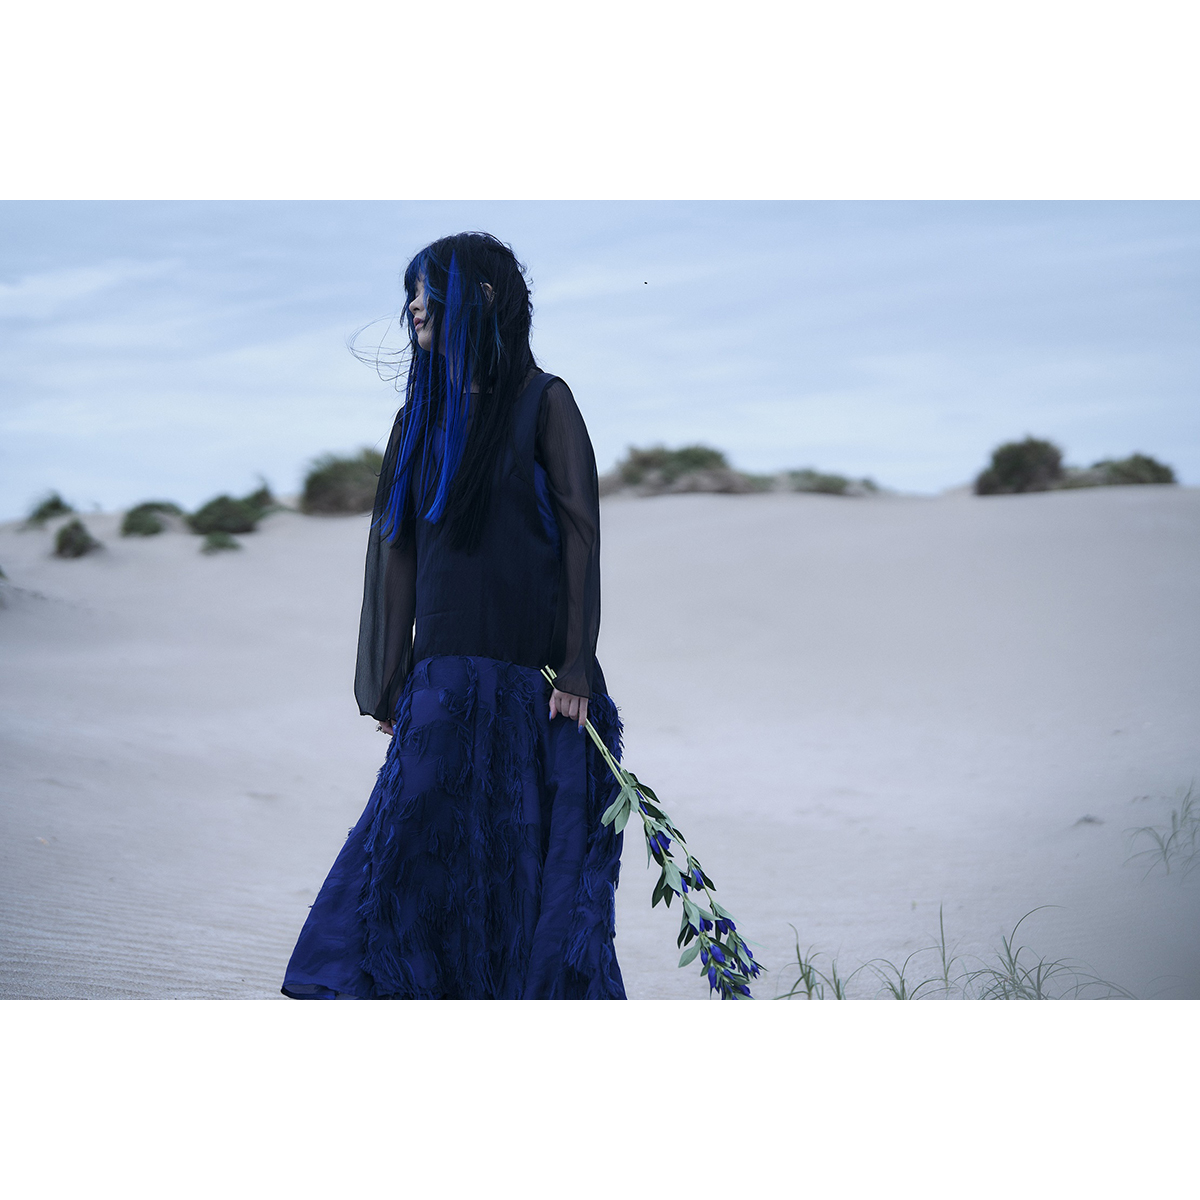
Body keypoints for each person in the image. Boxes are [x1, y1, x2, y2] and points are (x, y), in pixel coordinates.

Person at [281, 232, 626, 999]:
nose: (413, 306)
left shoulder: (545, 402)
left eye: (428, 289)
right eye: (409, 292)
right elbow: (395, 551)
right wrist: (389, 680)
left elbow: (582, 536)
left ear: (485, 296)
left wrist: (576, 663)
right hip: (441, 683)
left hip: (535, 685)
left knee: (526, 878)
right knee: (408, 859)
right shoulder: (417, 420)